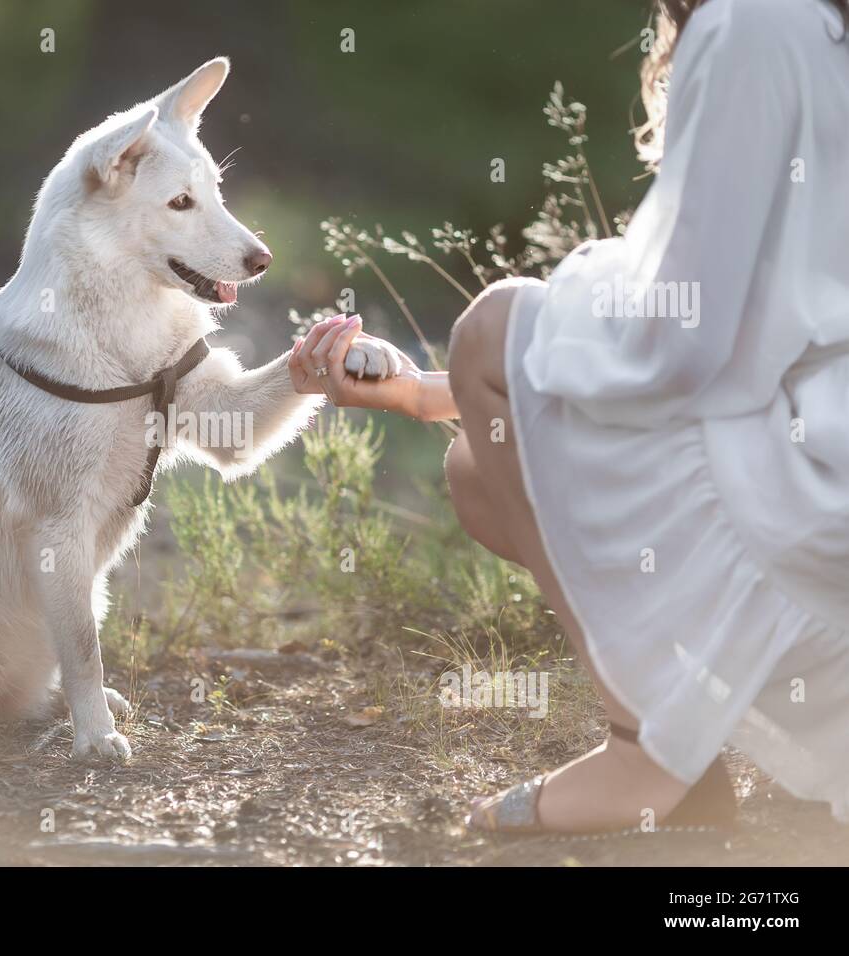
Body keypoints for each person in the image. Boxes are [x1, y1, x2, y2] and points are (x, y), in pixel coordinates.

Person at [289, 0, 849, 832]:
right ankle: (685, 740)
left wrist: (508, 341)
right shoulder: (801, 19)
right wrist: (430, 394)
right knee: (482, 468)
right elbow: (746, 327)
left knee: (496, 322)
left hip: (817, 493)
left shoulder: (751, 21)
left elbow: (683, 345)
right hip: (812, 450)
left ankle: (647, 754)